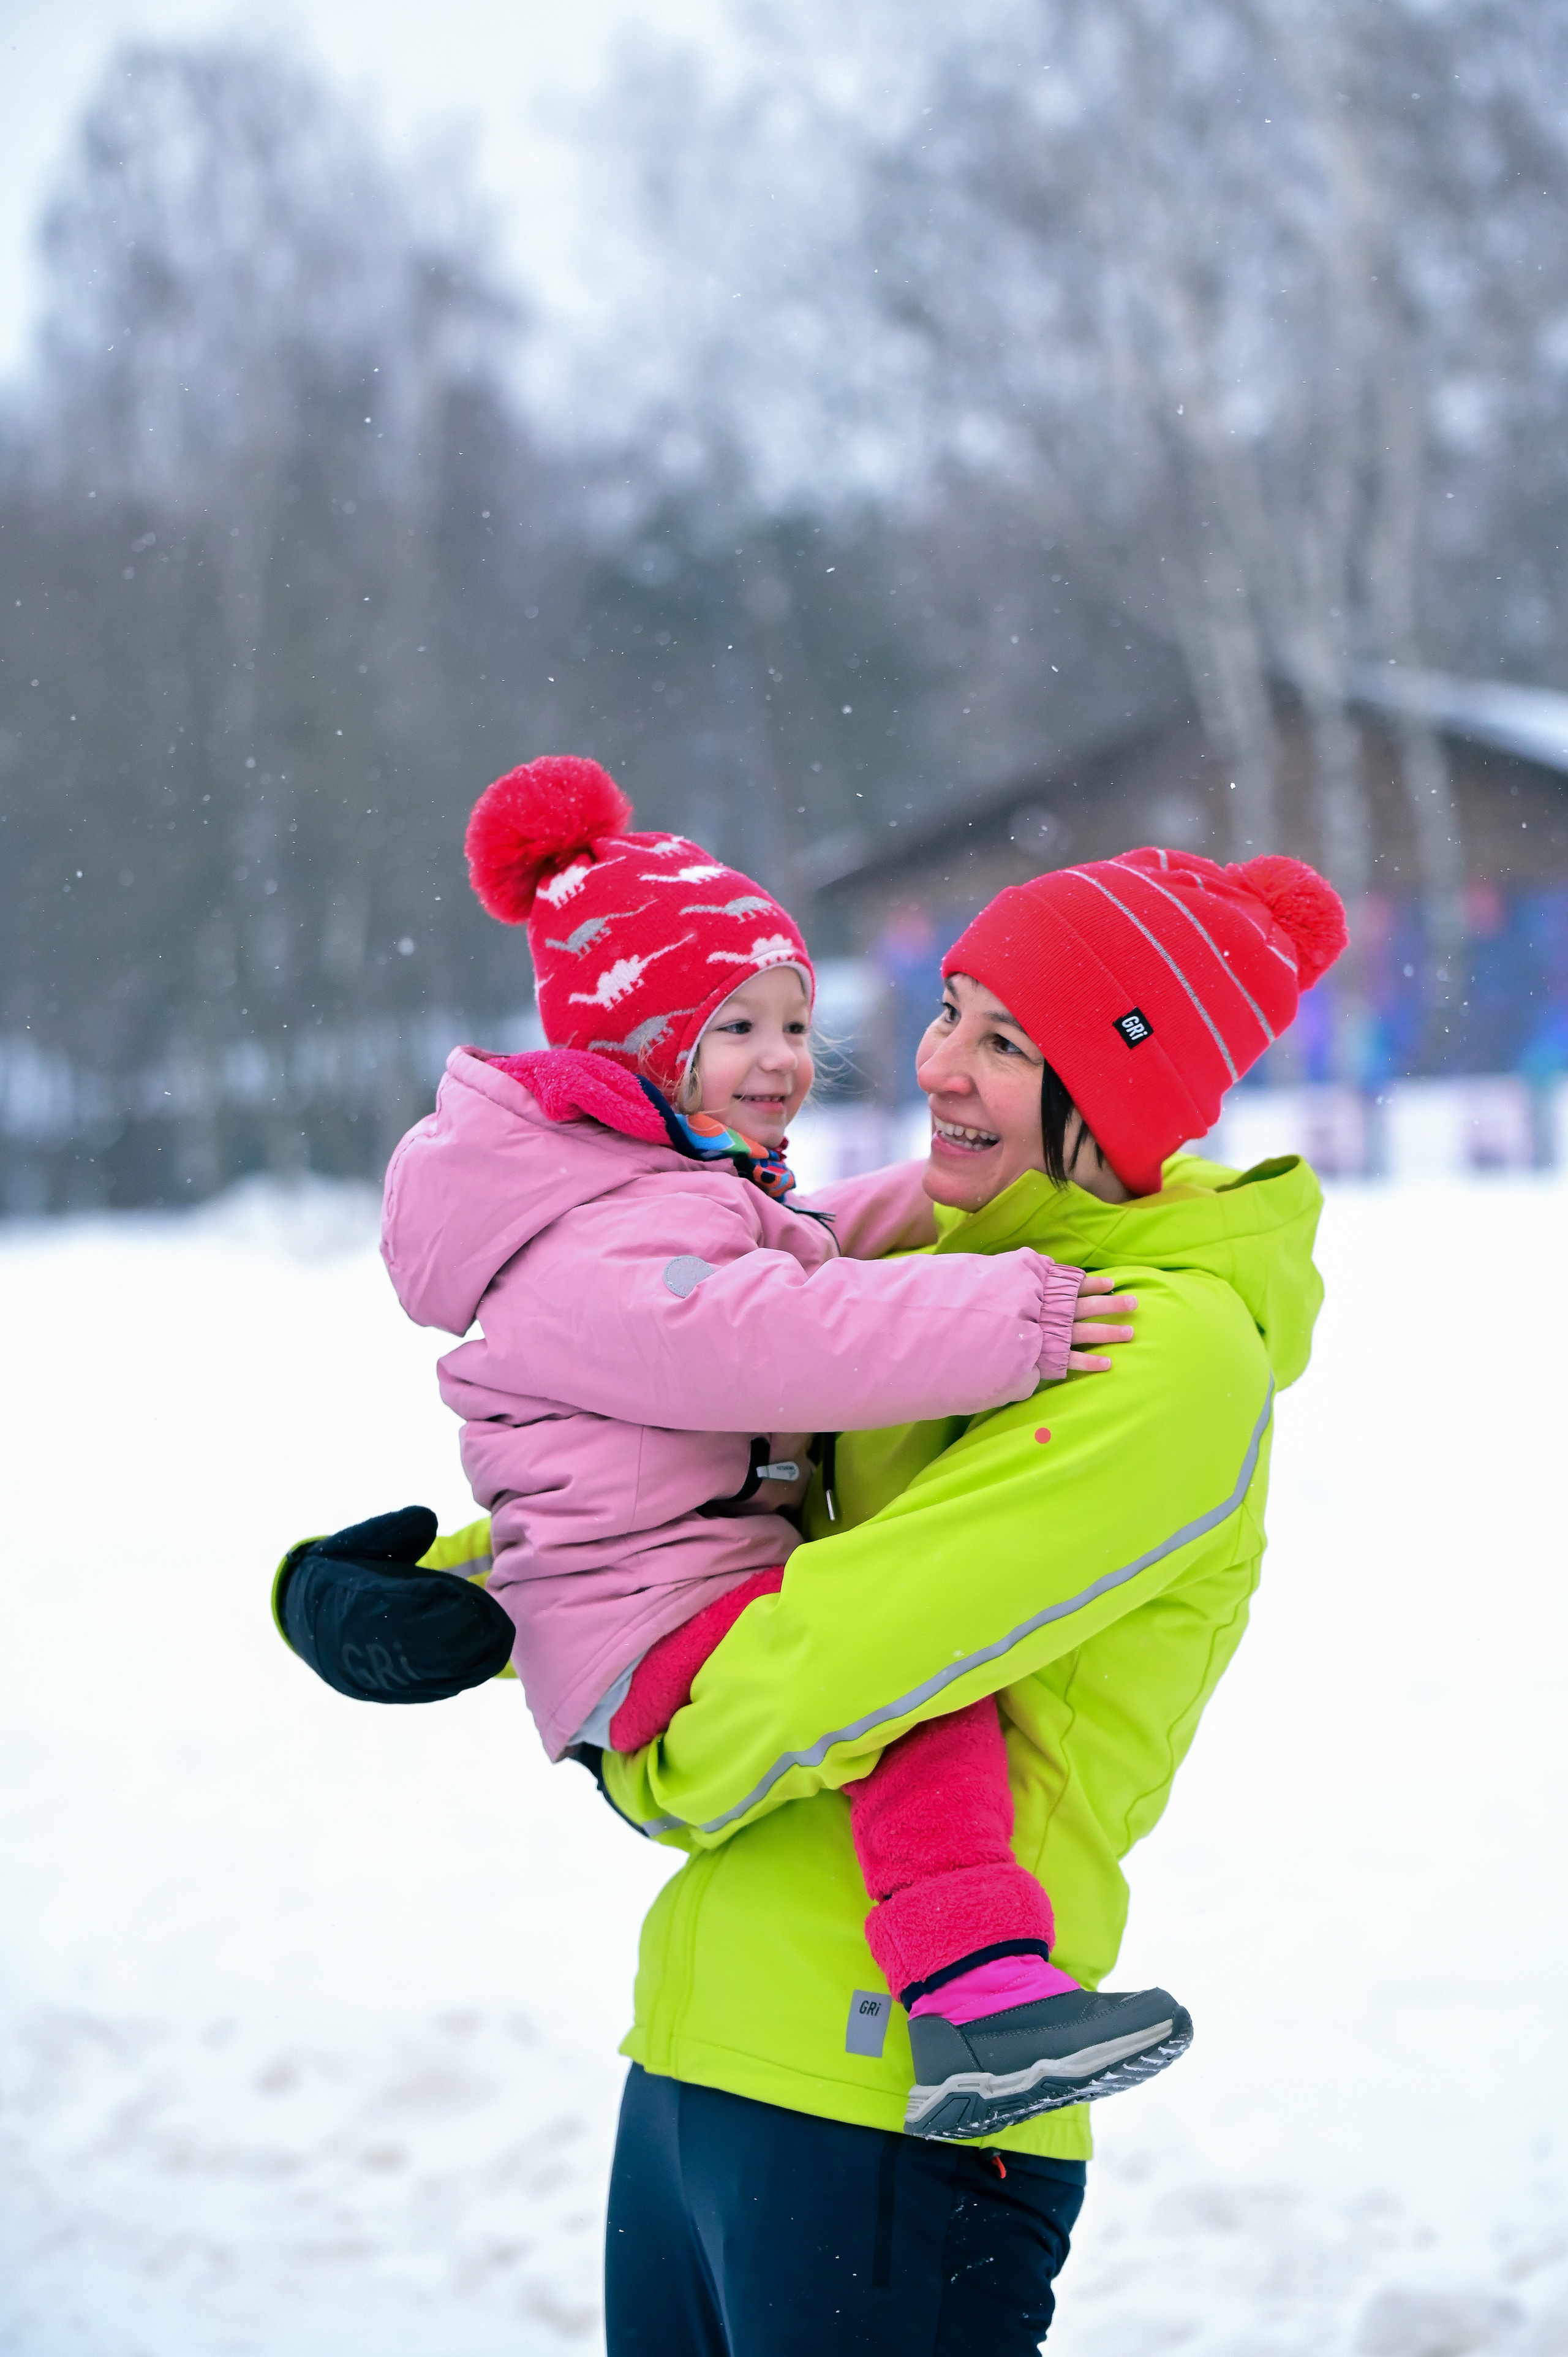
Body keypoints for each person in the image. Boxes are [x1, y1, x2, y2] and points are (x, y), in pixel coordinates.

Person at [277, 824, 1343, 2350]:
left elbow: (848, 1636)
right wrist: (439, 1593)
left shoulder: (1153, 1344)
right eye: (948, 1014)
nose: (935, 1068)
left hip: (893, 2099)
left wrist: (647, 1738)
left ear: (1113, 1088)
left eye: (1001, 1042)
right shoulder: (925, 1257)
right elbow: (679, 1470)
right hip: (704, 2058)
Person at [377, 754, 1189, 2133]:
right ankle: (980, 1996)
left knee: (893, 1683)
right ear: (638, 1049)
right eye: (736, 1026)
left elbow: (808, 1248)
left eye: (796, 1023)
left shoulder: (650, 1189)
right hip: (645, 1624)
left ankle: (977, 1989)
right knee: (910, 1690)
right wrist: (1012, 1313)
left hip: (649, 1593)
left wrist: (979, 1201)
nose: (782, 1062)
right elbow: (770, 1336)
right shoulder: (612, 1231)